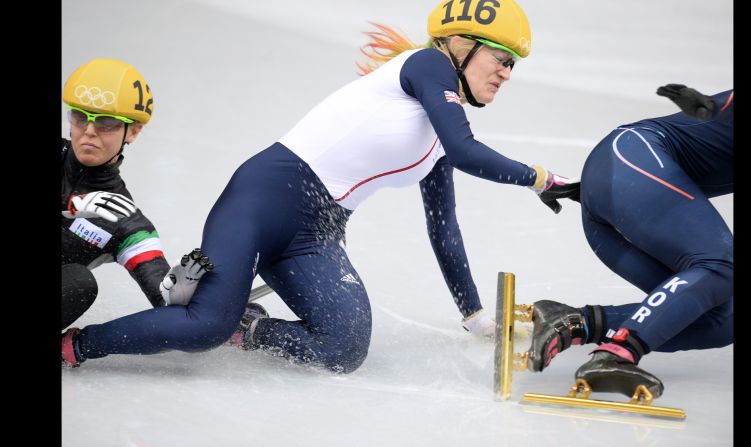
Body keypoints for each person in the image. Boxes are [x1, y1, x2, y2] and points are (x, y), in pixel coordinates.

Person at [61, 0, 580, 371]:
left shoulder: (443, 128)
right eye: (502, 59)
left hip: (316, 231)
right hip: (263, 201)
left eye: (513, 65)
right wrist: (541, 178)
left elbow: (444, 227)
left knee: (344, 347)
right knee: (202, 327)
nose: (508, 74)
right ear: (461, 46)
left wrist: (475, 316)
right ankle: (76, 347)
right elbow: (471, 154)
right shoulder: (427, 65)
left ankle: (246, 327)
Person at [524, 84, 733, 398]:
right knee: (721, 264)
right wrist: (712, 107)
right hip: (629, 160)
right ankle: (618, 353)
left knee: (724, 318)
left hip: (616, 205)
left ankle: (572, 322)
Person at [61, 59, 212, 356]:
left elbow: (163, 296)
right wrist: (70, 205)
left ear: (132, 132)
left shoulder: (127, 223)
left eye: (106, 123)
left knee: (80, 283)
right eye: (80, 117)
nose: (89, 131)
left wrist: (176, 297)